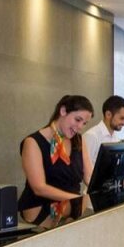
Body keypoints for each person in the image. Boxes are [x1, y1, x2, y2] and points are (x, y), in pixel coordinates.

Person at [18, 94, 94, 225]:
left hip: (73, 210)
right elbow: (39, 187)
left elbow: (89, 177)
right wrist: (75, 199)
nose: (80, 127)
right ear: (63, 111)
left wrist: (110, 186)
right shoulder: (32, 142)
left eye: (84, 123)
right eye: (77, 120)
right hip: (40, 212)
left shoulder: (79, 140)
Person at [82, 95, 124, 164]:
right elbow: (82, 168)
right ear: (108, 114)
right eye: (122, 118)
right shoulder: (91, 136)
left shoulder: (115, 137)